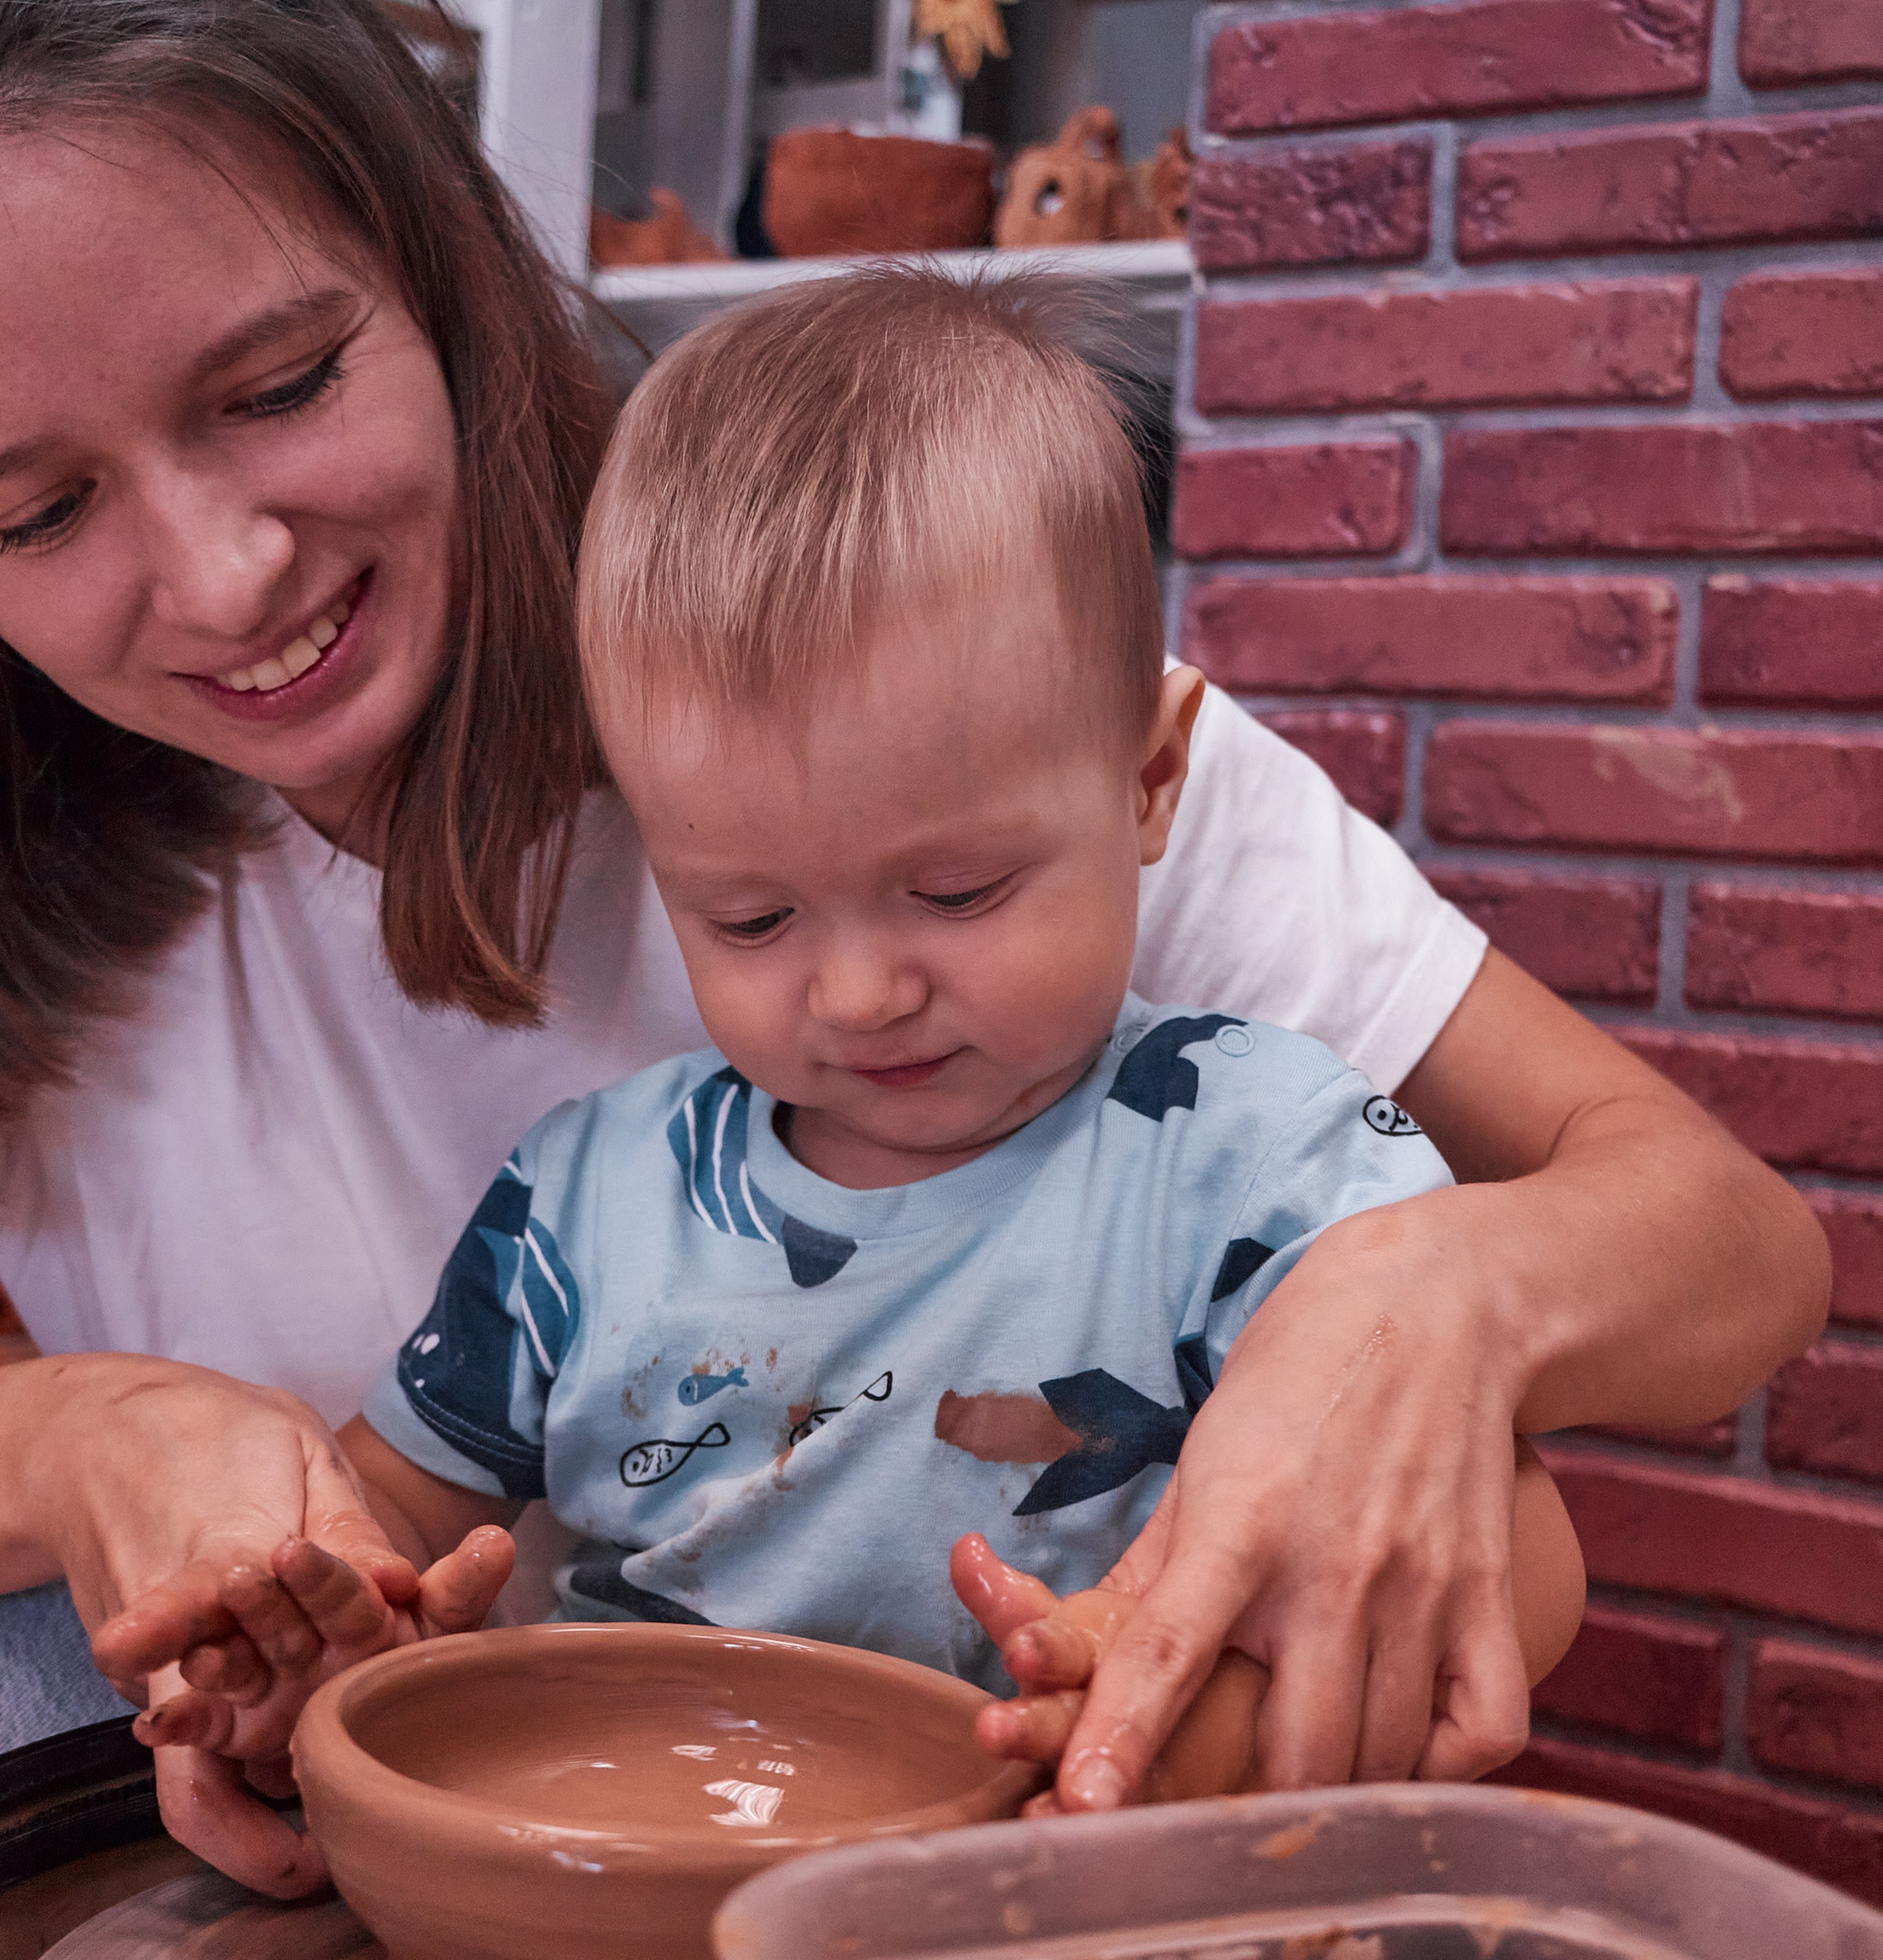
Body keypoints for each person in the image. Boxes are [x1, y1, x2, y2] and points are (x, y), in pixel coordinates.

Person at [0, 0, 1825, 1902]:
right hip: (487, 1820)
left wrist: (1424, 1299)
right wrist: (89, 1446)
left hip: (1004, 1827)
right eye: (39, 508)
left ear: (441, 275)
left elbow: (1719, 1247)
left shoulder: (901, 682)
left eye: (285, 383)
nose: (219, 579)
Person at [130, 270, 1588, 1812]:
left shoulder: (1260, 1158)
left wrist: (1186, 1733)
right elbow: (388, 1515)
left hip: (1083, 1887)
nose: (858, 995)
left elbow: (1514, 1541)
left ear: (1151, 782)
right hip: (644, 1869)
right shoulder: (583, 1208)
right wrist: (312, 1627)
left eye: (955, 891)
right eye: (748, 921)